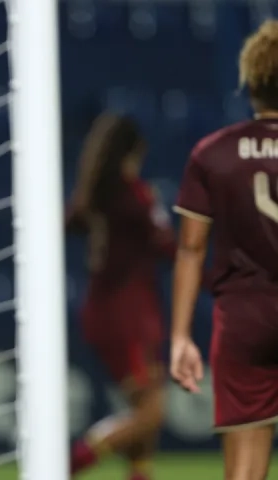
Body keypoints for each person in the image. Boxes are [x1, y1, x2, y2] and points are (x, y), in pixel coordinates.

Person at [170, 19, 278, 480]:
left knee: (245, 471)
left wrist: (180, 337)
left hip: (243, 319)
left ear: (250, 83)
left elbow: (191, 249)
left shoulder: (212, 152)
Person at [66, 113, 174, 480]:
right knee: (151, 413)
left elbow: (70, 224)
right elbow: (168, 247)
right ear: (135, 152)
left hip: (104, 310)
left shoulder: (92, 198)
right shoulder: (137, 197)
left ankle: (138, 475)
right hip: (130, 316)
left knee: (145, 404)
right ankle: (68, 464)